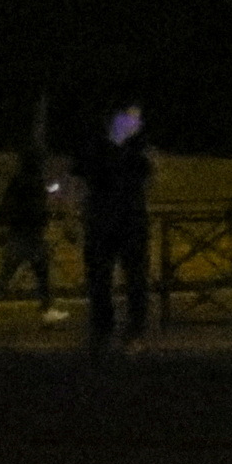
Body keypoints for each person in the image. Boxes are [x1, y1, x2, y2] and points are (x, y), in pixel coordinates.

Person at [82, 105, 157, 355]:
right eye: (131, 118)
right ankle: (104, 330)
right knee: (101, 280)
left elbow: (149, 178)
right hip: (105, 222)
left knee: (135, 279)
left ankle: (133, 331)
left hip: (127, 222)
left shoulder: (137, 150)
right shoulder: (97, 147)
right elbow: (81, 180)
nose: (137, 123)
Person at [0, 137, 57, 322]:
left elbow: (7, 204)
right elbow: (37, 208)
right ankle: (46, 309)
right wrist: (46, 220)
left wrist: (3, 227)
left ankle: (46, 309)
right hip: (30, 233)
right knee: (37, 271)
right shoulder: (35, 181)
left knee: (13, 270)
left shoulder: (18, 179)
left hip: (19, 230)